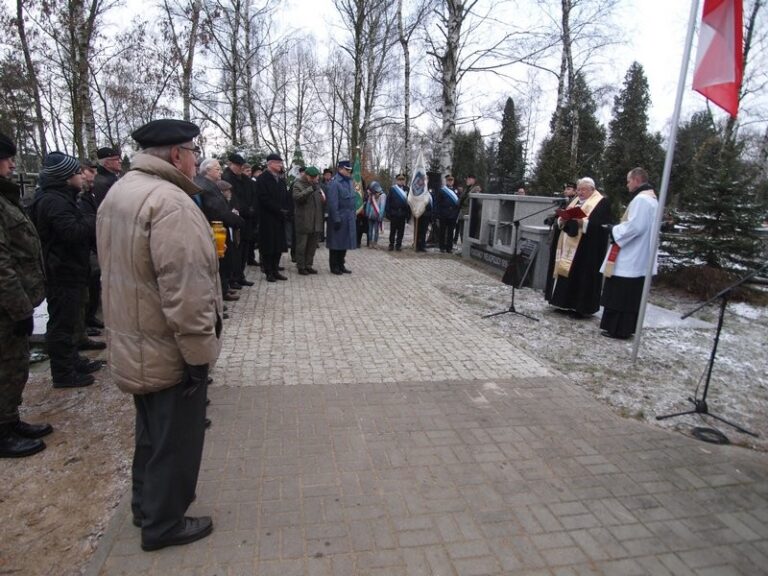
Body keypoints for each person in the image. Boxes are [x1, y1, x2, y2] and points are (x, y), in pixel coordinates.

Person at [97, 118, 222, 551]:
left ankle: (144, 506)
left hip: (134, 337)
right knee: (176, 439)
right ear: (176, 155)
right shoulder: (171, 203)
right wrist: (197, 354)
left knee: (151, 432)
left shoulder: (121, 192)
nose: (195, 160)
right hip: (166, 344)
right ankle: (164, 523)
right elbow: (186, 289)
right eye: (193, 152)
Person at [0, 132, 53, 458]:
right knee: (5, 367)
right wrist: (20, 309)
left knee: (14, 365)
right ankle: (2, 432)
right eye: (5, 159)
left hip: (12, 305)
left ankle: (9, 419)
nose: (10, 164)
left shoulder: (6, 199)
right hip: (6, 307)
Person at [32, 152, 98, 388]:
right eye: (78, 173)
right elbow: (70, 232)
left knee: (70, 320)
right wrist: (93, 220)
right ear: (65, 177)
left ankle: (72, 361)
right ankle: (63, 373)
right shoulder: (54, 201)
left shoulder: (63, 197)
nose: (82, 176)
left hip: (71, 268)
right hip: (61, 270)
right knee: (62, 322)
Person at [600, 167, 659, 339]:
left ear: (636, 180)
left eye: (628, 181)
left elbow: (635, 227)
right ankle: (622, 328)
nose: (627, 185)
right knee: (628, 295)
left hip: (631, 255)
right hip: (639, 253)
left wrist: (614, 230)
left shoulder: (641, 200)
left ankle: (618, 328)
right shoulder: (652, 200)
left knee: (621, 294)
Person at [547, 177, 611, 317]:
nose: (580, 192)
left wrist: (583, 223)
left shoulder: (601, 202)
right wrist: (561, 219)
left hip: (587, 248)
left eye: (583, 189)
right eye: (579, 189)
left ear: (592, 190)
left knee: (582, 276)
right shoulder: (574, 201)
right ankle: (563, 303)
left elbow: (601, 226)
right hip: (569, 242)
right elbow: (564, 216)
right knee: (567, 274)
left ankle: (580, 308)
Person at [195, 158, 244, 300]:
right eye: (217, 168)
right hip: (214, 230)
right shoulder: (206, 186)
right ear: (207, 170)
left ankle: (223, 291)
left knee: (223, 264)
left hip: (218, 228)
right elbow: (218, 211)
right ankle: (219, 297)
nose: (221, 171)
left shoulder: (210, 184)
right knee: (218, 266)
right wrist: (238, 221)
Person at [255, 153, 290, 282]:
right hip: (267, 218)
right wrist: (278, 209)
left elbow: (285, 196)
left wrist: (286, 209)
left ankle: (275, 269)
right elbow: (263, 198)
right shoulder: (262, 179)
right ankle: (268, 271)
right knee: (268, 246)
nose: (280, 165)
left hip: (279, 218)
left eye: (281, 163)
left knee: (278, 246)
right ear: (269, 164)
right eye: (277, 162)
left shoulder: (280, 179)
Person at [222, 154, 256, 287]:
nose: (241, 168)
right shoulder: (227, 178)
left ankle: (240, 275)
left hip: (247, 219)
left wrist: (253, 208)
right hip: (236, 218)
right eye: (238, 166)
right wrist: (245, 210)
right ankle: (232, 278)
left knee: (244, 248)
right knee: (235, 249)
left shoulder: (244, 179)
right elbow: (233, 199)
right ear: (231, 164)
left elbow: (253, 194)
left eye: (242, 166)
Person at [544, 181, 577, 301]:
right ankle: (549, 290)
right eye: (565, 189)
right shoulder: (564, 203)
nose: (566, 191)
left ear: (574, 190)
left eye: (569, 189)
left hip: (566, 238)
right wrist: (552, 218)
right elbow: (558, 215)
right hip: (556, 236)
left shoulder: (576, 203)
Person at [326, 160, 357, 274]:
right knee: (336, 243)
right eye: (347, 169)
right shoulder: (335, 183)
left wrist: (353, 216)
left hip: (348, 217)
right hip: (339, 217)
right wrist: (337, 218)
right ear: (340, 169)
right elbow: (333, 203)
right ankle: (334, 266)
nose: (349, 172)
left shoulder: (349, 182)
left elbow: (352, 201)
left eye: (350, 170)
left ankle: (341, 264)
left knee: (344, 242)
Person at [292, 166, 324, 275]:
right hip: (303, 221)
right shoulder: (298, 184)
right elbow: (297, 198)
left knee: (312, 246)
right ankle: (301, 266)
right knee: (302, 245)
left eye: (316, 178)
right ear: (306, 175)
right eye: (313, 178)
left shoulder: (317, 186)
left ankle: (308, 265)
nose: (315, 179)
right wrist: (310, 189)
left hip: (315, 221)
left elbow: (319, 202)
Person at [435, 174, 460, 253]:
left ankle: (449, 247)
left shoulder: (456, 191)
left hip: (452, 214)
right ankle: (442, 247)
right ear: (446, 181)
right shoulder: (442, 190)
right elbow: (438, 203)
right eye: (449, 180)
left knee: (450, 232)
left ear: (453, 181)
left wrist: (456, 214)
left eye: (451, 180)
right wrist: (438, 214)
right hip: (444, 214)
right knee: (442, 231)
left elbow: (458, 203)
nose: (450, 182)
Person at [386, 174, 410, 251]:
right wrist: (388, 212)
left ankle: (398, 245)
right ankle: (391, 245)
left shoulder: (407, 189)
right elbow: (388, 201)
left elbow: (409, 203)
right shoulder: (392, 189)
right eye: (399, 180)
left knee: (401, 231)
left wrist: (408, 214)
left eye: (403, 180)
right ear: (397, 180)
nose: (401, 181)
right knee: (393, 230)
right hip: (394, 213)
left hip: (402, 213)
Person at [364, 181, 385, 247]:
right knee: (370, 230)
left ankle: (375, 243)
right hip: (370, 215)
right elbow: (368, 205)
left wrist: (380, 216)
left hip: (377, 216)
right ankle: (370, 243)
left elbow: (382, 206)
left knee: (376, 230)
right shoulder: (371, 195)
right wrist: (367, 213)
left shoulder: (383, 196)